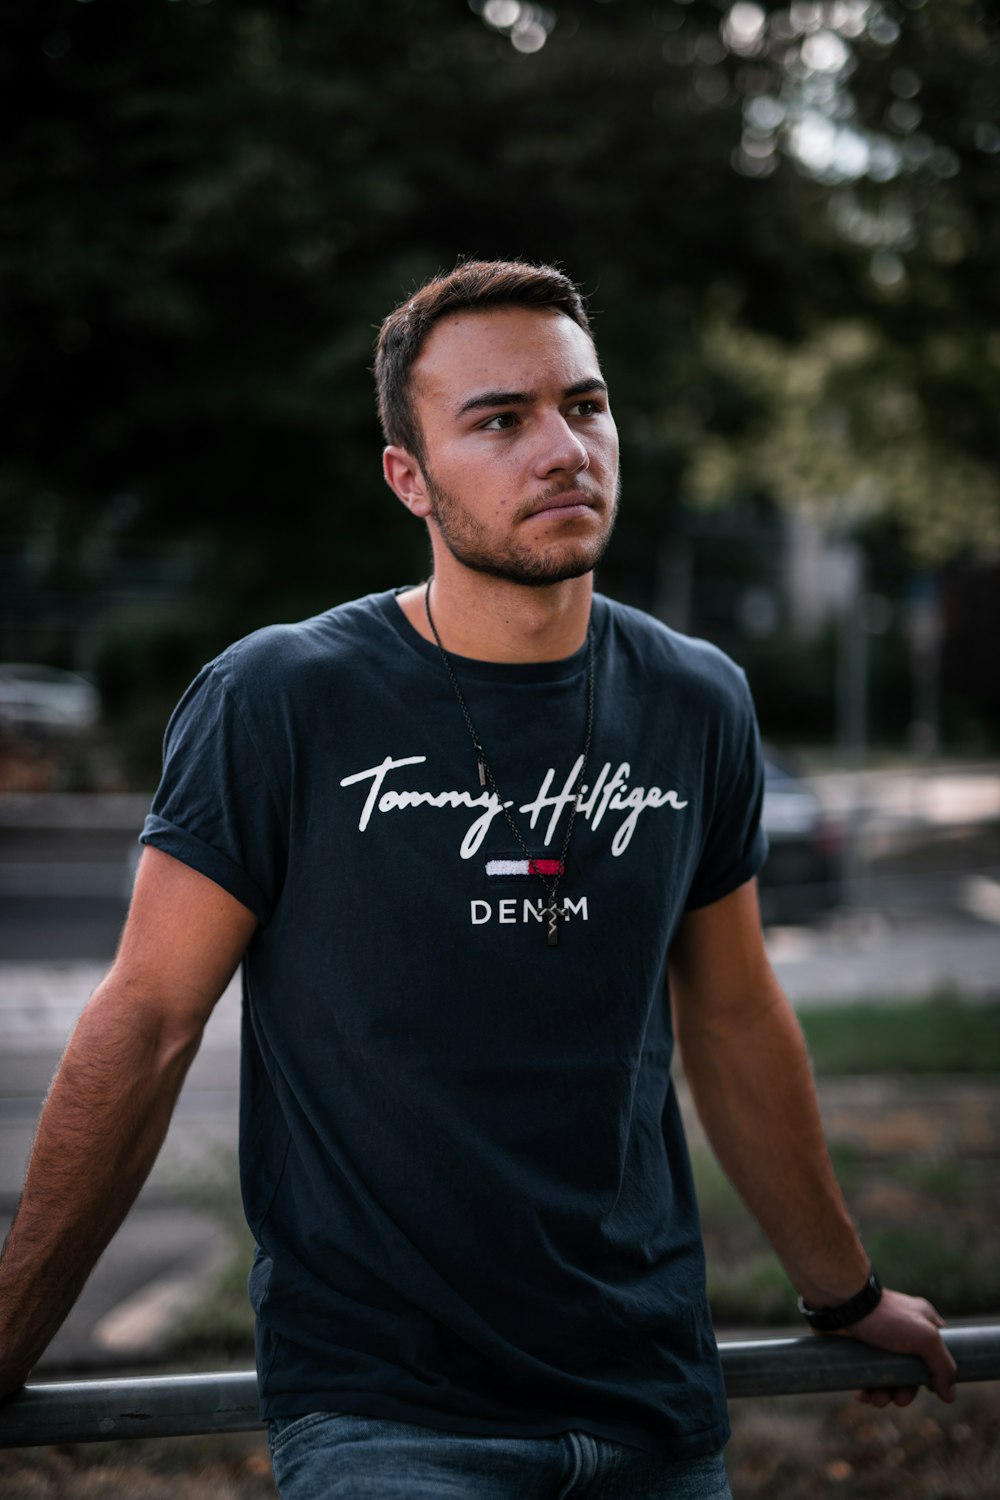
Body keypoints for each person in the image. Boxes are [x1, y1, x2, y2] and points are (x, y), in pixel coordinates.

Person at [0, 260, 956, 1498]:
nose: (561, 447)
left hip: (654, 1404)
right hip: (392, 1415)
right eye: (499, 420)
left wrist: (845, 1291)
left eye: (585, 404)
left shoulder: (696, 698)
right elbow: (146, 1024)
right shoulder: (282, 698)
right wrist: (12, 1334)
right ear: (410, 476)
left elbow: (730, 1016)